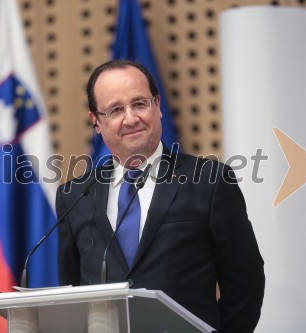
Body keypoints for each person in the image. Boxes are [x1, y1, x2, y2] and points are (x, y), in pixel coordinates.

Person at [56, 59, 265, 332]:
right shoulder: (74, 196)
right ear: (96, 120)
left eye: (140, 103)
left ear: (157, 105)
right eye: (115, 109)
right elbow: (71, 293)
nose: (131, 118)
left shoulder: (210, 181)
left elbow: (245, 285)